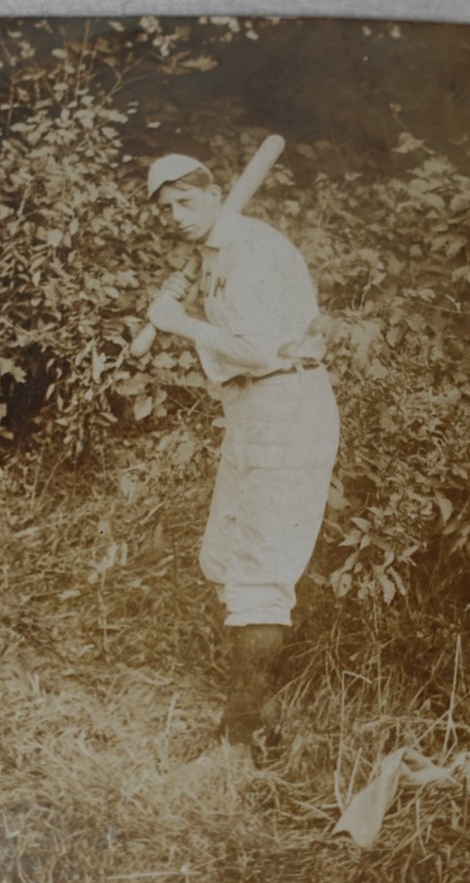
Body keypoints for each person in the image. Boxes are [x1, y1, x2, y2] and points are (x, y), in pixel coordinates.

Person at [143, 152, 340, 752]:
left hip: (287, 403)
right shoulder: (214, 254)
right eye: (165, 208)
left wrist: (177, 322)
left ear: (213, 192)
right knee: (224, 555)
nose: (176, 215)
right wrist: (186, 297)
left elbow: (255, 349)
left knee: (260, 572)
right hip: (250, 410)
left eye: (187, 201)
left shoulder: (251, 249)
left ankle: (245, 732)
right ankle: (253, 703)